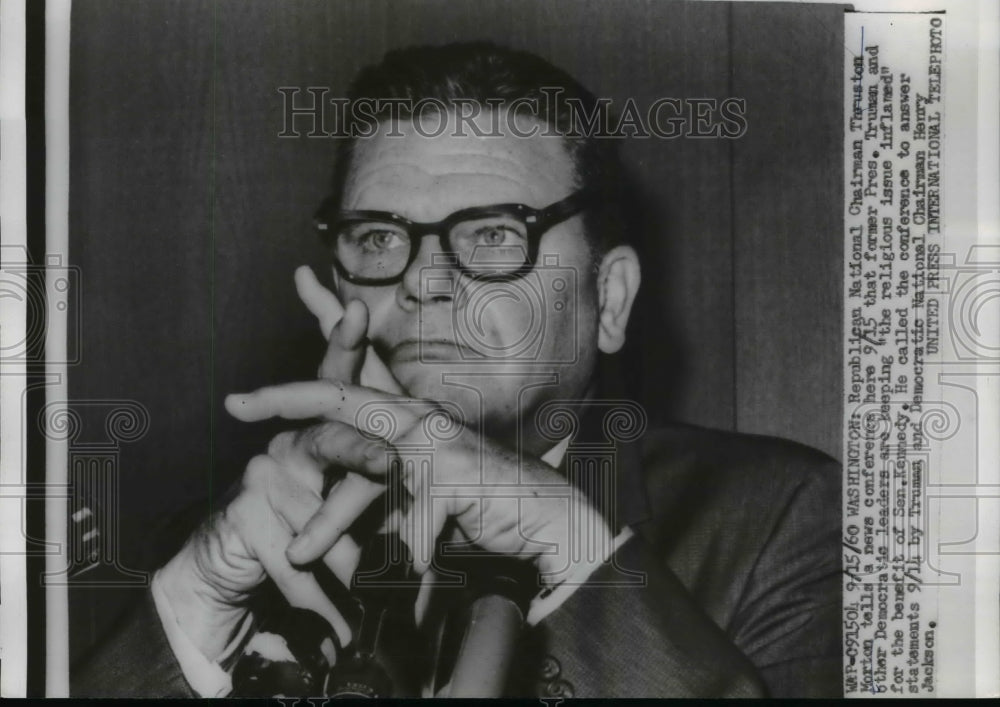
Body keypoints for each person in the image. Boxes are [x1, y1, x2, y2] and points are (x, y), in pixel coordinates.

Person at [72, 41, 842, 698]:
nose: (423, 278)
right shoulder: (240, 541)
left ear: (609, 299)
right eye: (377, 237)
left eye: (495, 234)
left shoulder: (779, 522)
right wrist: (196, 598)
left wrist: (570, 549)